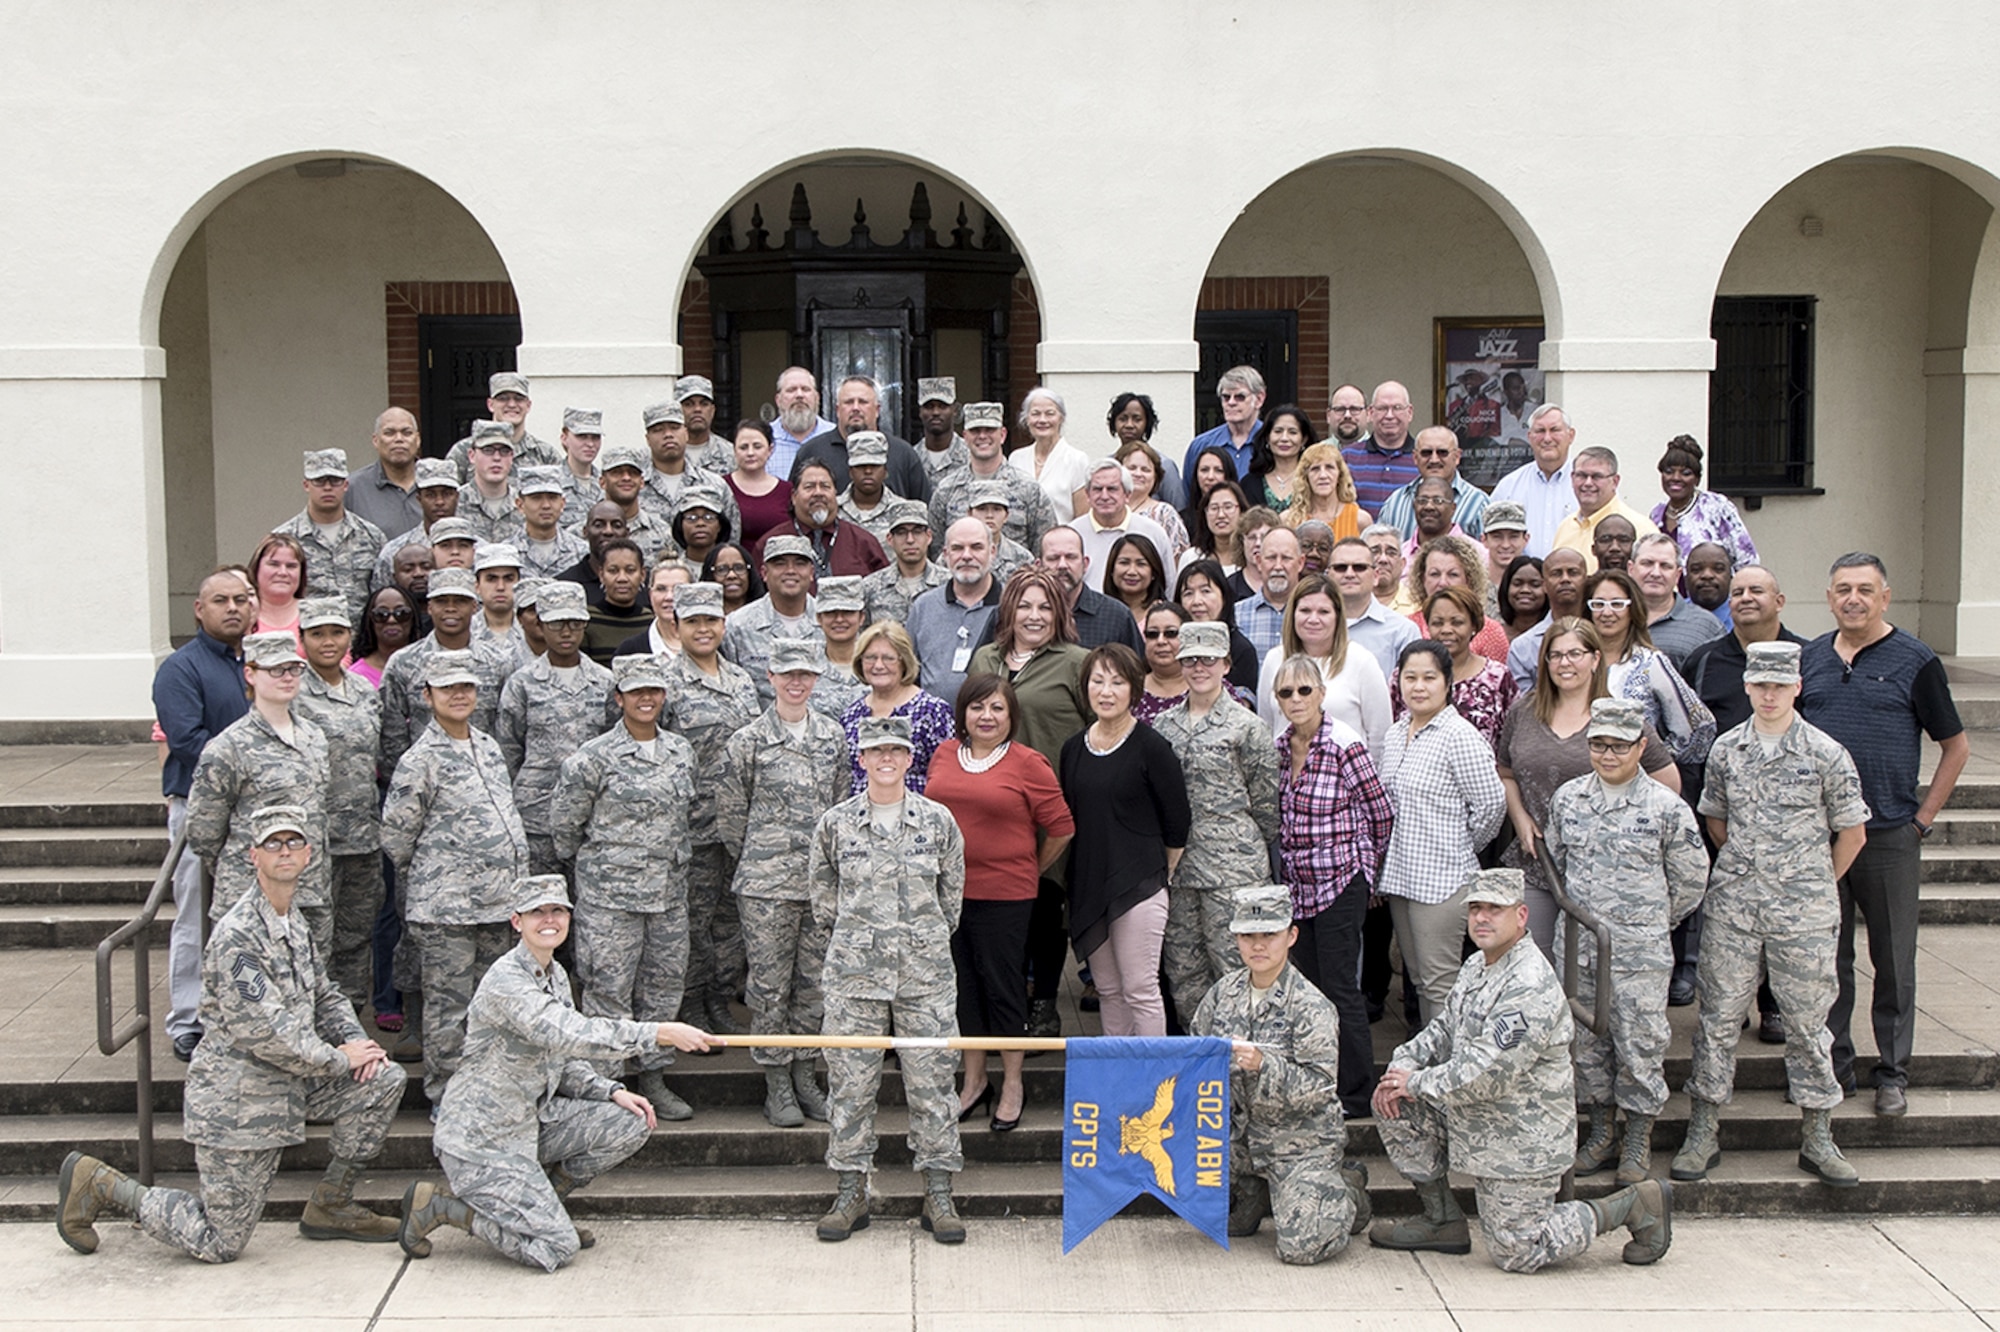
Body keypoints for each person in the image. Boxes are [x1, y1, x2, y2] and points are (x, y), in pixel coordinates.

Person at [58, 806, 405, 1262]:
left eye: (293, 843)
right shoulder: (240, 934)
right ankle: (103, 1184)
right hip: (239, 1103)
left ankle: (332, 1203)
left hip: (292, 1084)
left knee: (383, 1078)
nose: (285, 852)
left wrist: (362, 1044)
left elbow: (324, 993)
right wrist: (342, 1058)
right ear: (253, 857)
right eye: (272, 844)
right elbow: (270, 1033)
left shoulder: (291, 920)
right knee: (219, 1242)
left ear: (309, 856)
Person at [396, 876, 717, 1271]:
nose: (549, 920)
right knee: (557, 1249)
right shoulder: (507, 982)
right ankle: (444, 1209)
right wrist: (659, 1033)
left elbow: (561, 1058)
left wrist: (609, 1090)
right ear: (517, 921)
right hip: (483, 1139)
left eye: (558, 911)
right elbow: (570, 1032)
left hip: (531, 1122)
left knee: (630, 1120)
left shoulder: (554, 974)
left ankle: (545, 1209)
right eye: (537, 912)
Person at [1370, 868, 1673, 1271]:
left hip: (1521, 1137)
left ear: (1522, 916)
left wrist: (1416, 1081)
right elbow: (1444, 1029)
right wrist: (1402, 1065)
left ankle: (1631, 1207)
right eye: (1475, 908)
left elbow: (1485, 1073)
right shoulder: (1479, 965)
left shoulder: (1527, 982)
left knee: (1518, 1250)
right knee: (1394, 1100)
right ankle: (1441, 1219)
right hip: (1479, 1117)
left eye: (1495, 909)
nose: (1481, 918)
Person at [1674, 641, 1871, 1187]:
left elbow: (1852, 832)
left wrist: (1810, 883)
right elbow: (1716, 820)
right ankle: (1704, 1128)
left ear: (1797, 688)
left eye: (1779, 685)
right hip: (1735, 906)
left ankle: (1818, 1134)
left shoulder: (1826, 752)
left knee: (1809, 1026)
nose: (1768, 694)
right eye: (1760, 684)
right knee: (1716, 1021)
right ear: (1747, 686)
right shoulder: (1727, 750)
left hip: (1803, 912)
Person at [1800, 553, 1969, 1117]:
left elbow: (1956, 746)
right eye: (1843, 588)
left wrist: (1922, 819)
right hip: (1821, 837)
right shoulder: (1812, 659)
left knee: (1893, 960)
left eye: (1865, 590)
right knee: (1830, 958)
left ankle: (1892, 1073)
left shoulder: (1915, 660)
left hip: (1890, 832)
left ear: (1885, 597)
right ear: (1829, 598)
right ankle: (1836, 1065)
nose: (1853, 599)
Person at [810, 716, 969, 1244]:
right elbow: (823, 902)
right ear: (861, 758)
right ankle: (852, 1191)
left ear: (908, 759)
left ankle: (939, 1193)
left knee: (933, 1084)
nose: (885, 759)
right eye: (875, 750)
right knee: (851, 1086)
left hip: (924, 974)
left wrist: (917, 940)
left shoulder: (939, 822)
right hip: (855, 976)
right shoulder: (835, 824)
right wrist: (861, 942)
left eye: (895, 751)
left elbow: (951, 901)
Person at [1546, 698, 1708, 1184]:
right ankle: (1601, 1133)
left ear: (1641, 747)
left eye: (1619, 745)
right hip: (1579, 949)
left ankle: (1637, 1136)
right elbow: (1556, 859)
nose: (1608, 755)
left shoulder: (1665, 808)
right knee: (1588, 1046)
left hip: (1639, 953)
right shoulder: (1569, 799)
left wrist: (1649, 922)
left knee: (1640, 1045)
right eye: (1598, 744)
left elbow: (1690, 881)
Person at [551, 653, 702, 1121]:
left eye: (654, 691)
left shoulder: (680, 750)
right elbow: (565, 827)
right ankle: (606, 1087)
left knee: (662, 989)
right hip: (610, 897)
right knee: (609, 992)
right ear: (619, 698)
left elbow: (686, 817)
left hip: (668, 894)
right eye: (636, 692)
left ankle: (653, 1077)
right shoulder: (592, 758)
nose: (646, 699)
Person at [379, 648, 530, 1108]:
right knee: (449, 1011)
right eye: (448, 689)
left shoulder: (485, 745)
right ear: (427, 696)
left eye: (466, 687)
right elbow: (396, 835)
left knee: (489, 1008)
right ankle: (446, 1098)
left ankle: (483, 1094)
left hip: (498, 904)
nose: (459, 695)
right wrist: (440, 874)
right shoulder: (420, 758)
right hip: (448, 909)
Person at [927, 675, 1074, 1130]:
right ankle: (974, 1082)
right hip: (950, 895)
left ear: (1011, 717)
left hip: (1006, 897)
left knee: (1003, 989)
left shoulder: (1029, 763)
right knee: (963, 992)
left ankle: (1012, 1082)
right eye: (977, 708)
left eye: (996, 709)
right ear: (963, 714)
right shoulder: (945, 753)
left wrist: (1030, 865)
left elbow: (1062, 827)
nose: (986, 717)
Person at [1193, 884, 1368, 1265]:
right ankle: (1255, 1189)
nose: (1258, 946)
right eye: (1248, 936)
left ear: (1291, 936)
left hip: (1298, 1144)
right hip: (1239, 1140)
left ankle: (1347, 1190)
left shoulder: (1310, 1006)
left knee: (1304, 1247)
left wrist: (1263, 1066)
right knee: (1195, 1202)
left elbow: (1320, 1085)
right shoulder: (1223, 994)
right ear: (1235, 939)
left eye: (1269, 935)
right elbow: (1195, 1059)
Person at [715, 638, 850, 1127]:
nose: (796, 682)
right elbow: (731, 818)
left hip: (817, 886)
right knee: (770, 987)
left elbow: (839, 808)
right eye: (787, 673)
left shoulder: (832, 738)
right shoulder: (747, 741)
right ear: (770, 677)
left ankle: (804, 1073)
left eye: (805, 674)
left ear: (816, 679)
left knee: (813, 985)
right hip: (766, 887)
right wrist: (763, 858)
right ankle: (776, 1083)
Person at [1495, 620, 1680, 958]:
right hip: (1538, 862)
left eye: (1575, 654)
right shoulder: (1523, 711)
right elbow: (1505, 771)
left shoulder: (1620, 716)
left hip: (1604, 871)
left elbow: (1666, 782)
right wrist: (1519, 817)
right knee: (1534, 962)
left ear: (1596, 659)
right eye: (1556, 655)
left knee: (1594, 970)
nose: (1565, 663)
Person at [966, 569, 1092, 1037]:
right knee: (1002, 909)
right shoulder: (985, 659)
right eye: (1024, 605)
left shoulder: (1076, 662)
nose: (1034, 615)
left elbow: (1098, 728)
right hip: (991, 806)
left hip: (1048, 805)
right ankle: (1006, 996)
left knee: (1044, 903)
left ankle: (1043, 1004)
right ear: (1008, 611)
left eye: (1044, 606)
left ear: (1058, 613)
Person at [1271, 653, 1393, 1117]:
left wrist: (1368, 870)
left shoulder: (1345, 743)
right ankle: (1324, 1083)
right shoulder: (1281, 747)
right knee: (1313, 991)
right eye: (1286, 692)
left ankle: (1358, 1093)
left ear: (1322, 693)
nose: (1296, 699)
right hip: (1299, 887)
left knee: (1342, 988)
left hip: (1341, 879)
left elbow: (1380, 812)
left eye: (1305, 690)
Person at [1059, 644, 1191, 1038]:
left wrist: (1159, 872)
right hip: (1089, 885)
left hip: (1139, 885)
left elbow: (1177, 821)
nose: (1106, 691)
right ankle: (1119, 1080)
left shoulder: (1152, 747)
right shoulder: (1072, 749)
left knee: (1140, 988)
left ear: (1134, 690)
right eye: (1097, 681)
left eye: (1117, 682)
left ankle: (1153, 1087)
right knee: (1109, 991)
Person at [1153, 621, 1279, 1027]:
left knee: (1236, 967)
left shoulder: (1248, 726)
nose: (1199, 667)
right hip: (1180, 869)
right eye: (1190, 659)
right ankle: (1200, 1058)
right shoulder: (1163, 726)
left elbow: (1266, 805)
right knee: (1184, 970)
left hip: (1233, 869)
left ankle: (1238, 1064)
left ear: (1226, 663)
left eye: (1208, 659)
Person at [1375, 640, 1507, 1023]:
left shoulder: (1459, 736)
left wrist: (1460, 845)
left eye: (1429, 678)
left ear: (1447, 682)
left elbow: (1491, 805)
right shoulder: (1397, 731)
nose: (1419, 686)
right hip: (1402, 876)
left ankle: (1448, 1070)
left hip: (1443, 879)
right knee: (1417, 978)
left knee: (1439, 983)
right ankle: (1424, 1062)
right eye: (1410, 677)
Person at [153, 568, 255, 1060]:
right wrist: (255, 763)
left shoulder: (258, 664)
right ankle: (188, 1019)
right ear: (200, 609)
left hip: (256, 813)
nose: (232, 607)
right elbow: (187, 741)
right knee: (194, 913)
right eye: (220, 600)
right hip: (199, 808)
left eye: (241, 598)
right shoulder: (181, 668)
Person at [661, 582, 763, 1039]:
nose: (703, 629)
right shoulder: (663, 681)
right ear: (676, 625)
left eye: (711, 620)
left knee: (728, 920)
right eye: (693, 621)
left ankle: (720, 998)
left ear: (724, 624)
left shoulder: (740, 679)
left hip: (737, 823)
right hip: (691, 824)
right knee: (692, 920)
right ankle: (691, 1000)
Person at [186, 630, 334, 945]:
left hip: (310, 890)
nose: (287, 677)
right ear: (250, 674)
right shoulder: (228, 747)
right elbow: (204, 831)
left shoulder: (314, 737)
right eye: (275, 670)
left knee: (309, 986)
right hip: (250, 894)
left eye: (294, 669)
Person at [292, 598, 385, 1005]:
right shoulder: (293, 691)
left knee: (355, 933)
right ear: (303, 638)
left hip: (362, 837)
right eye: (317, 634)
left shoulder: (364, 689)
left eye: (336, 632)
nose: (328, 642)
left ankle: (349, 1017)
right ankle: (310, 1018)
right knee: (314, 937)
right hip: (316, 840)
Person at [495, 581, 615, 876]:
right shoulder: (522, 683)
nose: (566, 632)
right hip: (538, 815)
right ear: (541, 623)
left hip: (593, 815)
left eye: (574, 623)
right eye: (557, 623)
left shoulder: (605, 682)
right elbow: (509, 749)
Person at [377, 567, 520, 772]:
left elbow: (509, 732)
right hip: (426, 778)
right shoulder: (404, 663)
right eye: (442, 601)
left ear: (474, 606)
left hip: (484, 777)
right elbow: (392, 734)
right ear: (429, 607)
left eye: (460, 601)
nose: (450, 608)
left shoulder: (500, 662)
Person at [1254, 572, 1392, 764]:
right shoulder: (1275, 660)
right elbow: (1266, 728)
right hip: (1286, 781)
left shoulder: (1362, 662)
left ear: (1337, 616)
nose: (1313, 619)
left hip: (1343, 783)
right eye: (1305, 611)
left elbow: (1380, 738)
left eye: (1323, 612)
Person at [1584, 568, 1717, 767]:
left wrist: (1657, 762)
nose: (1607, 612)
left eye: (1617, 604)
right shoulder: (1573, 659)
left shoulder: (1650, 662)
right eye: (1598, 604)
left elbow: (1700, 726)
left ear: (1633, 610)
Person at [271, 448, 388, 624]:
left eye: (335, 481)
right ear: (306, 485)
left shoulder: (371, 536)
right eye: (319, 481)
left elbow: (384, 593)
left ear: (346, 485)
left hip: (361, 643)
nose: (327, 487)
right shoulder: (284, 539)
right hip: (307, 641)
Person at [928, 400, 1058, 554]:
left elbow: (1046, 547)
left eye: (989, 430)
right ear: (965, 437)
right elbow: (936, 549)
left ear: (1002, 435)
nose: (982, 436)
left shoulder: (1028, 489)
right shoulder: (946, 490)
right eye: (975, 430)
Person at [1394, 586, 1518, 749]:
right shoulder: (1406, 676)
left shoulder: (1497, 677)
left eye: (1457, 622)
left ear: (1473, 626)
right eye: (1437, 623)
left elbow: (1512, 737)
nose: (1446, 630)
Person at [841, 621, 953, 792]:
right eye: (870, 657)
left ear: (904, 661)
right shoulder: (851, 715)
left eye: (888, 658)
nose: (878, 665)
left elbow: (947, 777)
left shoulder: (932, 711)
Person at [906, 517, 1002, 706]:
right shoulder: (924, 606)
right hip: (935, 728)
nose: (966, 555)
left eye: (976, 547)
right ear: (945, 554)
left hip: (994, 724)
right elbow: (907, 671)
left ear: (992, 552)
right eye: (958, 548)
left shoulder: (1013, 605)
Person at [792, 375, 933, 501]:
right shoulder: (811, 452)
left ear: (877, 410)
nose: (855, 408)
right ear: (837, 410)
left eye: (863, 402)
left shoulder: (902, 453)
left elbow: (923, 506)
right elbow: (793, 502)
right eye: (848, 402)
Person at [721, 534, 821, 703]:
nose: (790, 571)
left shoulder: (832, 622)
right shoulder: (737, 626)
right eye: (780, 563)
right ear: (764, 573)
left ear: (811, 573)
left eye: (800, 563)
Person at [754, 458, 887, 578]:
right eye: (809, 487)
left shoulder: (863, 542)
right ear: (794, 497)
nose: (818, 493)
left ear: (835, 494)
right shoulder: (770, 543)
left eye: (825, 486)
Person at [1027, 525, 1148, 654]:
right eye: (1053, 558)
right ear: (1038, 566)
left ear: (1085, 564)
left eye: (1071, 557)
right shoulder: (1019, 614)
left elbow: (1136, 670)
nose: (1062, 565)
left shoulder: (1117, 616)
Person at [1652, 434, 1758, 568]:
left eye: (1685, 473)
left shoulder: (1716, 507)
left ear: (1697, 479)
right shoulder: (1656, 514)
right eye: (1669, 471)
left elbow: (1747, 558)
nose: (1676, 478)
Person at [1488, 404, 1579, 559]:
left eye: (1555, 430)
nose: (1547, 438)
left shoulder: (1588, 485)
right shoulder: (1509, 487)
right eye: (1540, 431)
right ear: (1529, 437)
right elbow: (1490, 538)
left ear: (1571, 435)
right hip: (1524, 581)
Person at [1404, 534, 1511, 664]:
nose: (1442, 582)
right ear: (1422, 579)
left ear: (1469, 580)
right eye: (1434, 574)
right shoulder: (1407, 627)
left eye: (1453, 574)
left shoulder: (1491, 631)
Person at [1549, 446, 1659, 572]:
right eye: (1581, 475)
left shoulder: (1641, 528)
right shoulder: (1565, 527)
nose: (1588, 483)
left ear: (1615, 481)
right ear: (1572, 478)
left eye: (1597, 476)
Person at [1631, 533, 1725, 671]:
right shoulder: (1610, 615)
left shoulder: (1707, 626)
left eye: (1665, 566)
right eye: (1647, 563)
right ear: (1630, 569)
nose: (1656, 573)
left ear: (1677, 575)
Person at [442, 371, 559, 481]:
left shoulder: (545, 454)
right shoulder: (464, 451)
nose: (512, 404)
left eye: (519, 399)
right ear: (490, 404)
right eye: (503, 399)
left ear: (528, 405)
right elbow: (448, 495)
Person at [1376, 428, 1490, 541]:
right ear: (1415, 457)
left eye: (1442, 453)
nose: (1434, 460)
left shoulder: (1479, 503)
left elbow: (1488, 554)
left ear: (1457, 457)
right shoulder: (1395, 503)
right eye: (1426, 453)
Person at [1506, 546, 1590, 694]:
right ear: (1544, 585)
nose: (1565, 579)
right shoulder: (1523, 647)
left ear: (1586, 579)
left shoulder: (1604, 633)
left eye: (1573, 572)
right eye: (1556, 573)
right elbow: (1524, 707)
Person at [1069, 457, 1174, 575]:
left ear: (1127, 495)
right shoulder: (1072, 534)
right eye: (1097, 489)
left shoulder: (1153, 533)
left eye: (1112, 489)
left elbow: (1168, 585)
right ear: (1087, 495)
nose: (1104, 496)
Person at [371, 458, 460, 593]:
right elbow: (382, 600)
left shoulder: (476, 549)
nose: (440, 502)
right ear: (419, 498)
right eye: (430, 495)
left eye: (447, 494)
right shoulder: (394, 552)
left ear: (457, 496)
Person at [1006, 386, 1090, 522]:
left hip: (1062, 541)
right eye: (1035, 413)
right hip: (1021, 542)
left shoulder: (1077, 460)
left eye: (1050, 413)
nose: (1042, 420)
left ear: (1061, 418)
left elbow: (1082, 517)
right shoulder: (1016, 459)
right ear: (1027, 419)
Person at [1175, 558, 1262, 691]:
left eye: (1206, 591)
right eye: (1188, 593)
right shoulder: (1172, 643)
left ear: (1224, 597)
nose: (1197, 601)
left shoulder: (1241, 649)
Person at [1341, 381, 1421, 516]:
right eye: (1382, 408)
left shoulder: (1423, 459)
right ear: (1371, 413)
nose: (1389, 416)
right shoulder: (1347, 458)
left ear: (1410, 412)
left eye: (1397, 407)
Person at [862, 498, 946, 625]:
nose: (910, 540)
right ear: (890, 539)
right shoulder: (871, 587)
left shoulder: (948, 583)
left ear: (928, 536)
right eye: (901, 533)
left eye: (917, 532)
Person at [346, 406, 423, 538]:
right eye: (389, 433)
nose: (399, 439)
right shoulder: (353, 488)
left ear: (417, 440)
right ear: (375, 440)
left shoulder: (437, 484)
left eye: (407, 433)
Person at [1182, 365, 1266, 485]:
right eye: (1226, 397)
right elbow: (1190, 495)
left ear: (1259, 399)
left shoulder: (1272, 443)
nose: (1231, 403)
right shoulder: (1201, 445)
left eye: (1240, 397)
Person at [1113, 436, 1192, 561]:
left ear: (1155, 477)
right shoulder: (1108, 511)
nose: (1138, 474)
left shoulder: (1165, 515)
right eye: (1132, 468)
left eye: (1145, 470)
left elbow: (1179, 562)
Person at [456, 420, 528, 547]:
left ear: (512, 457)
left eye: (504, 451)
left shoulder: (526, 505)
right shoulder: (455, 503)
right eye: (488, 450)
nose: (496, 458)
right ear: (472, 456)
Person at [724, 418, 794, 547]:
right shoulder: (721, 487)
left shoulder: (787, 491)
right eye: (743, 447)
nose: (750, 453)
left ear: (770, 449)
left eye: (757, 446)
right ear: (734, 450)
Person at [581, 539, 653, 666]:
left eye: (630, 570)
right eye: (613, 571)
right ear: (601, 575)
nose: (622, 579)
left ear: (642, 575)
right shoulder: (586, 620)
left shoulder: (650, 621)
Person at [808, 575, 870, 719]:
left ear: (861, 617)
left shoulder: (879, 663)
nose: (839, 619)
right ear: (819, 618)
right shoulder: (806, 665)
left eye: (848, 612)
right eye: (831, 613)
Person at [514, 465, 590, 581]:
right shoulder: (508, 553)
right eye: (536, 498)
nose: (546, 505)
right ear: (520, 505)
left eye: (552, 497)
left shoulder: (582, 552)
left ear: (563, 503)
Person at [1235, 526, 1300, 659]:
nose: (1278, 566)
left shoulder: (1312, 616)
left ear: (1300, 563)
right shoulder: (1236, 615)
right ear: (1259, 562)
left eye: (1286, 558)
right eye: (1271, 558)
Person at [1285, 441, 1369, 540]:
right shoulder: (1289, 520)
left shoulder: (1360, 519)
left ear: (1340, 475)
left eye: (1329, 467)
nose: (1323, 475)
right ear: (1305, 477)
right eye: (1315, 469)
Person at [1245, 403, 1313, 515]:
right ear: (1267, 437)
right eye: (1278, 431)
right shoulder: (1249, 483)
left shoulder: (1314, 480)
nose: (1284, 438)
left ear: (1304, 440)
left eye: (1292, 432)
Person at [770, 366, 835, 479]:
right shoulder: (763, 440)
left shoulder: (834, 435)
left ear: (817, 398)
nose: (799, 395)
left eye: (805, 389)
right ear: (778, 400)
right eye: (791, 390)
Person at [836, 430, 900, 541]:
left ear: (885, 471)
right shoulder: (834, 510)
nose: (868, 471)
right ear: (850, 472)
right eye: (861, 466)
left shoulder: (901, 509)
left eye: (874, 466)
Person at [1135, 600, 1192, 722]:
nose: (1161, 641)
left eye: (1171, 633)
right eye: (1152, 634)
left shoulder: (1210, 687)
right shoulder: (1130, 690)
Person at [619, 561, 692, 657]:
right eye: (661, 589)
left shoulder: (713, 644)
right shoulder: (630, 650)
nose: (669, 597)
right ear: (650, 595)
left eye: (678, 589)